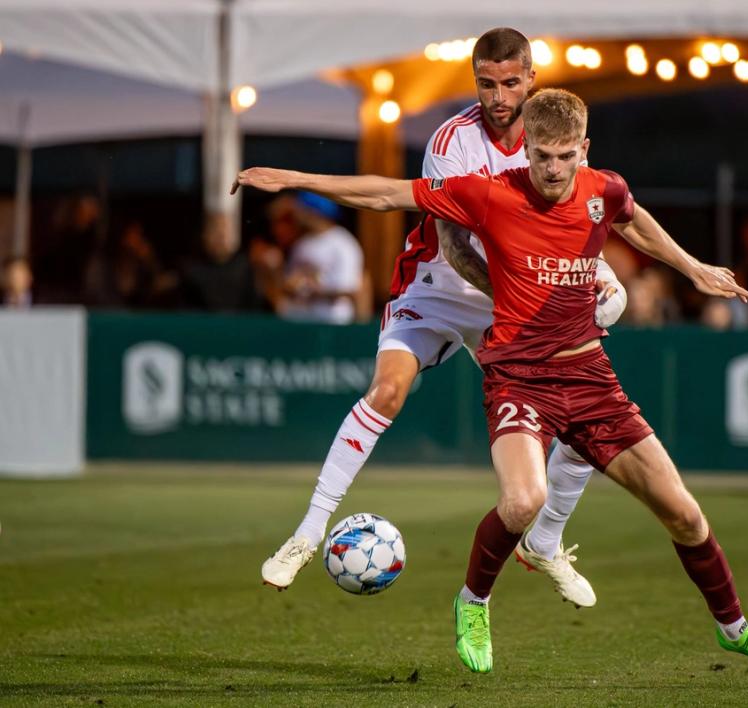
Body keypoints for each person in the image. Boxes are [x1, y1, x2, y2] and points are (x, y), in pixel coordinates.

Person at [233, 88, 748, 678]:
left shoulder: (603, 188)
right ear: (525, 151)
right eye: (541, 157)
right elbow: (386, 193)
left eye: (564, 157)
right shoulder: (489, 194)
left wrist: (695, 269)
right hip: (518, 377)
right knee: (522, 499)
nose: (553, 170)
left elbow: (636, 223)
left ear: (583, 149)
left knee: (684, 514)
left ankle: (735, 630)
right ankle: (473, 601)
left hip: (589, 378)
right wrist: (295, 177)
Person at [256, 28, 625, 609]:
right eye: (486, 83)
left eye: (509, 83)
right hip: (438, 286)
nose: (499, 97)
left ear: (531, 78)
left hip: (510, 298)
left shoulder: (553, 137)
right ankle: (306, 533)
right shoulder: (452, 141)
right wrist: (521, 295)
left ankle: (547, 538)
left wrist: (590, 271)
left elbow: (570, 218)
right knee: (388, 390)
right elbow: (452, 244)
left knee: (579, 407)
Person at [278, 192, 365, 324]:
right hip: (301, 320)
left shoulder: (343, 243)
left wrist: (314, 290)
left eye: (300, 209)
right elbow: (290, 281)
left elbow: (350, 289)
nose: (296, 214)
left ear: (313, 212)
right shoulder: (302, 243)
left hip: (331, 322)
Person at [182, 212, 267, 312]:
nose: (221, 237)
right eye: (215, 231)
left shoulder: (246, 268)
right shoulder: (193, 271)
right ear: (205, 235)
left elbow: (254, 309)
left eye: (225, 231)